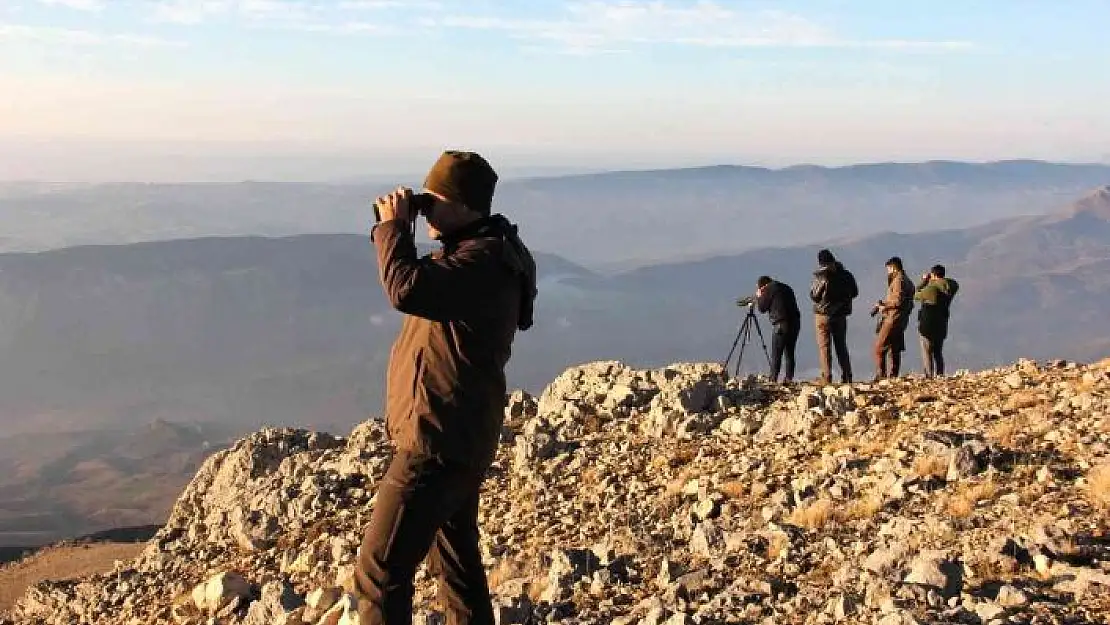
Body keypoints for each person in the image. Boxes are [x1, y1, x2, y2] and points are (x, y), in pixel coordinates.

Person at [355, 150, 538, 624]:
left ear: (463, 204)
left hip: (436, 440)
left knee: (379, 571)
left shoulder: (484, 262)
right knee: (457, 568)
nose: (425, 210)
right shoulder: (482, 251)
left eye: (432, 201)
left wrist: (393, 229)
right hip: (457, 433)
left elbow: (405, 290)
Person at [809, 249, 859, 384]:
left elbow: (814, 296)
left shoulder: (821, 277)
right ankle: (847, 375)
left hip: (823, 315)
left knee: (824, 347)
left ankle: (826, 377)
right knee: (841, 346)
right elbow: (855, 292)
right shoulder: (847, 275)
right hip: (840, 315)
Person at [871, 256, 915, 380]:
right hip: (901, 319)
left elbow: (897, 301)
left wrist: (884, 306)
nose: (888, 272)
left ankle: (881, 375)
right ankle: (893, 375)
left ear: (893, 268)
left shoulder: (898, 281)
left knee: (879, 348)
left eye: (889, 269)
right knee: (895, 348)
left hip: (893, 318)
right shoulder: (907, 280)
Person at [914, 264, 960, 378]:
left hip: (927, 325)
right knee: (938, 352)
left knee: (927, 352)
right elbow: (952, 283)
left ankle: (929, 376)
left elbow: (915, 294)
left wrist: (925, 281)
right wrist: (936, 279)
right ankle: (940, 374)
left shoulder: (931, 289)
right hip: (941, 324)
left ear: (933, 275)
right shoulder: (951, 287)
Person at [756, 275, 802, 383]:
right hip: (795, 323)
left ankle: (773, 379)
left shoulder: (768, 289)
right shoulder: (786, 287)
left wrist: (759, 297)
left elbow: (762, 308)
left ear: (762, 286)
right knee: (790, 353)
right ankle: (788, 379)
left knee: (776, 354)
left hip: (781, 325)